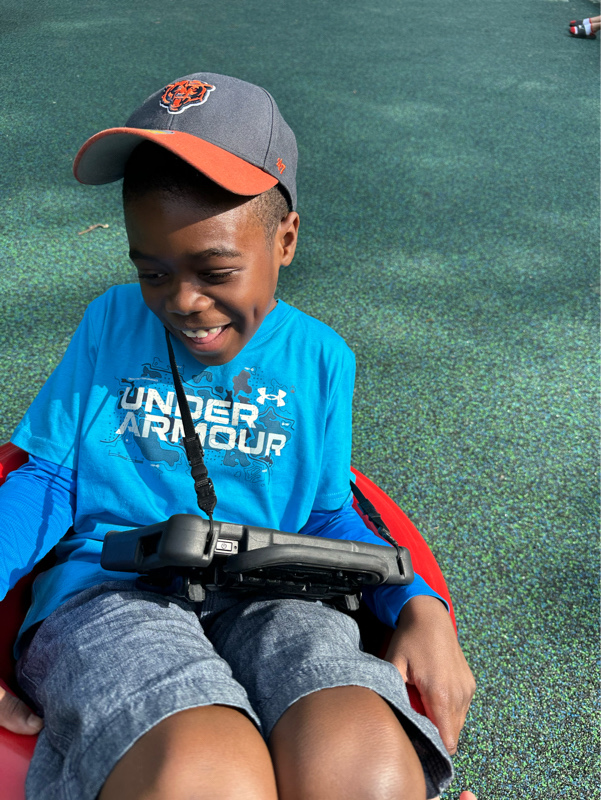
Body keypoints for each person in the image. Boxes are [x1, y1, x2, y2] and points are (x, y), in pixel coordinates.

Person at [0, 72, 476, 800]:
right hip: (111, 589)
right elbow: (47, 479)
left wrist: (420, 608)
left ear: (284, 240)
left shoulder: (319, 359)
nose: (182, 302)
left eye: (214, 270)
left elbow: (328, 510)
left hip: (274, 593)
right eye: (151, 271)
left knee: (364, 761)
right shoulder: (109, 323)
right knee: (209, 776)